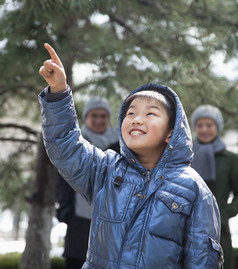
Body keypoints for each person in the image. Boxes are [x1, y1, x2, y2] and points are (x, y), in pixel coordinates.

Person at [39, 43, 223, 268]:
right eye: (131, 113)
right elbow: (64, 145)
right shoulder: (105, 169)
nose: (136, 119)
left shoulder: (195, 190)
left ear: (170, 133)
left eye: (150, 113)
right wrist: (58, 93)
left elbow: (202, 261)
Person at [55, 96, 119, 269]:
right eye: (94, 115)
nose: (99, 120)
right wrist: (65, 211)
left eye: (103, 116)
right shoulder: (75, 141)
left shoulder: (121, 144)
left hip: (111, 221)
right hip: (79, 221)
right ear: (86, 118)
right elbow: (62, 177)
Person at [191, 105, 238, 269]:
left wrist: (224, 213)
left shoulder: (230, 159)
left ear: (218, 127)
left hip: (219, 230)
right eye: (199, 125)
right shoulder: (186, 157)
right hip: (188, 226)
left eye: (209, 125)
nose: (204, 129)